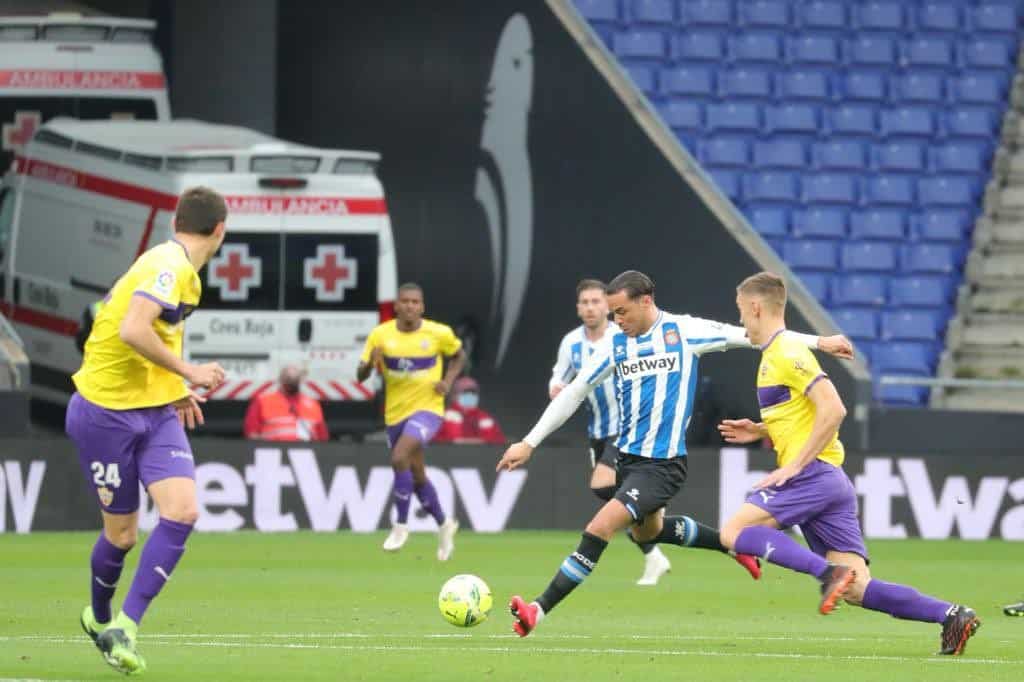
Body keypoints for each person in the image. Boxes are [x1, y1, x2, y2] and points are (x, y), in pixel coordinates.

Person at [496, 270, 852, 637]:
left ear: (645, 301)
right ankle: (732, 547)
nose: (617, 321)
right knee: (650, 532)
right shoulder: (615, 344)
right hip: (627, 460)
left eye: (622, 312)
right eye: (613, 313)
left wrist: (819, 342)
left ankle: (538, 609)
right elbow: (573, 393)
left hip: (662, 466)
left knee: (600, 527)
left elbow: (753, 335)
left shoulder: (683, 332)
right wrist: (529, 441)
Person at [717, 271, 980, 656]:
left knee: (733, 531)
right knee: (858, 588)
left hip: (811, 474)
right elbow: (802, 415)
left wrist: (793, 466)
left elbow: (834, 409)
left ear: (756, 307)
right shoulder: (776, 354)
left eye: (741, 312)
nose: (741, 321)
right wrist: (761, 430)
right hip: (829, 481)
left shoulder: (787, 351)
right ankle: (952, 615)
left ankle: (827, 573)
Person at [66, 187, 228, 674]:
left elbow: (149, 334)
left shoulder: (183, 273)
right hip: (104, 413)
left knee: (182, 511)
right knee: (121, 536)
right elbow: (131, 330)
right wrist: (192, 371)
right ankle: (97, 618)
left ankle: (126, 626)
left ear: (177, 219)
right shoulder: (168, 265)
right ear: (220, 230)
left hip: (155, 410)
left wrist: (173, 385)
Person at [549, 278, 671, 586]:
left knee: (602, 485)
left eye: (595, 301)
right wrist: (556, 388)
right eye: (584, 303)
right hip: (599, 432)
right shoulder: (571, 344)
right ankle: (653, 552)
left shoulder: (623, 335)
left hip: (628, 429)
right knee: (618, 500)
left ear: (607, 305)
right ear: (578, 308)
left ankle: (653, 520)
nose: (590, 308)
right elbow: (558, 377)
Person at [357, 282, 467, 560]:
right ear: (396, 306)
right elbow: (360, 375)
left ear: (422, 306)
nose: (410, 306)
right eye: (404, 301)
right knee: (417, 476)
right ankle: (444, 525)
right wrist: (370, 364)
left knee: (399, 457)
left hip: (428, 409)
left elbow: (458, 355)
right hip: (395, 414)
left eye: (415, 302)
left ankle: (400, 525)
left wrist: (448, 381)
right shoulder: (381, 335)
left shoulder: (438, 333)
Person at [243, 365, 329, 441]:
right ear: (281, 380)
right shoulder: (263, 401)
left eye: (294, 380)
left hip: (304, 453)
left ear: (300, 381)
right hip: (272, 453)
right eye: (288, 379)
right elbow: (251, 433)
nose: (291, 383)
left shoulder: (313, 404)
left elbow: (322, 437)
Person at [435, 376, 506, 445]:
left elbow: (495, 440)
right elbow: (451, 439)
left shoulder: (484, 417)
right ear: (453, 395)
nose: (470, 396)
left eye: (473, 393)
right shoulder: (445, 416)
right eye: (465, 393)